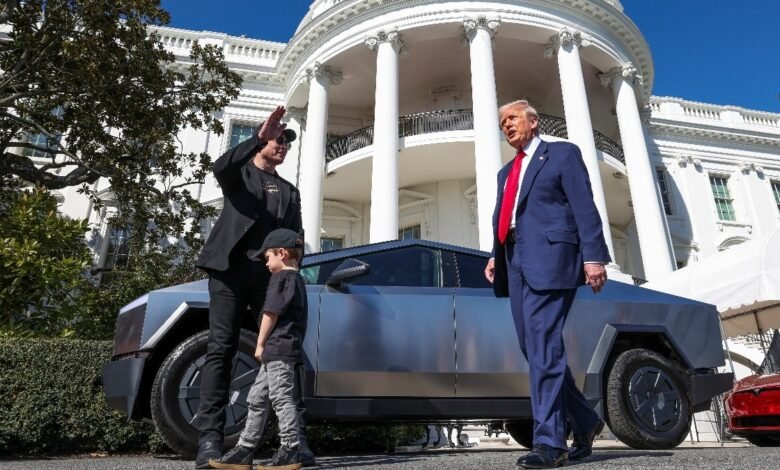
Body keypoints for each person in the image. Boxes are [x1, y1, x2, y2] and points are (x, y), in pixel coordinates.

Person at [484, 100, 610, 469]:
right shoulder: (506, 172)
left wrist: (593, 257)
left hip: (553, 258)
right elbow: (504, 217)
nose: (506, 125)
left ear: (533, 121)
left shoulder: (563, 154)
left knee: (542, 346)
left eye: (512, 118)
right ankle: (586, 421)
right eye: (501, 122)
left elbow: (583, 205)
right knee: (534, 347)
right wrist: (496, 254)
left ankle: (550, 442)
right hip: (515, 262)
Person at [194, 106, 312, 468]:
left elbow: (296, 239)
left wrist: (291, 274)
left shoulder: (289, 192)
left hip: (269, 279)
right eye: (277, 139)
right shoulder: (239, 174)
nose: (282, 145)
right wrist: (257, 137)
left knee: (285, 353)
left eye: (286, 142)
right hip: (228, 272)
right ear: (263, 140)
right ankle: (210, 441)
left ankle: (294, 443)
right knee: (221, 349)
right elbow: (220, 167)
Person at [209, 228, 309, 470]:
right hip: (281, 350)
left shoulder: (282, 279)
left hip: (278, 350)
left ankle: (291, 448)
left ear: (282, 253)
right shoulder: (298, 281)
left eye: (268, 257)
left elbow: (270, 313)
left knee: (281, 397)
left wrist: (260, 342)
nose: (266, 264)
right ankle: (245, 450)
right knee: (256, 398)